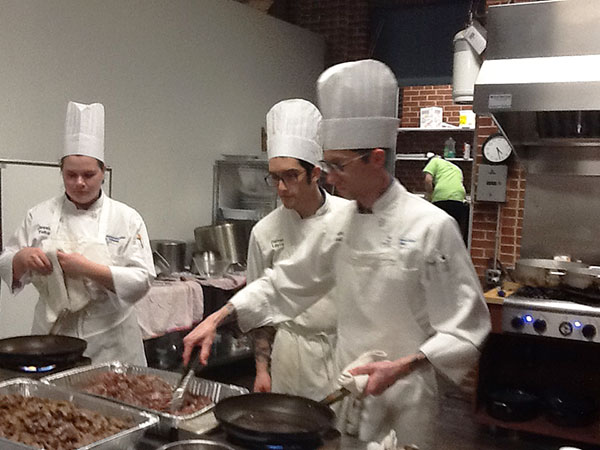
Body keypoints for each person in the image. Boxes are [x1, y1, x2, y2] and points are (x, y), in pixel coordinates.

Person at [182, 60, 491, 447]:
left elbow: (468, 327)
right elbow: (286, 282)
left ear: (376, 158)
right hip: (351, 389)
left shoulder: (431, 226)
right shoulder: (340, 226)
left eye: (338, 165)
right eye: (326, 163)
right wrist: (218, 317)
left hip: (406, 399)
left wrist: (404, 365)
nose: (328, 175)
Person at [0, 101, 155, 365]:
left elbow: (142, 279)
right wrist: (21, 259)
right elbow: (7, 262)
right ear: (60, 171)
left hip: (110, 342)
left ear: (103, 172)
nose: (79, 183)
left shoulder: (126, 219)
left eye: (88, 174)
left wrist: (87, 269)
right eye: (71, 175)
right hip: (53, 338)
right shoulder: (39, 215)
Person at [249, 99, 349, 401]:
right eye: (274, 177)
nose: (281, 188)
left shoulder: (350, 219)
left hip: (341, 351)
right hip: (289, 355)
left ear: (315, 173)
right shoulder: (264, 232)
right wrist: (262, 370)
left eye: (290, 176)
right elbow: (260, 311)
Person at [423, 151, 469, 244]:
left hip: (442, 196)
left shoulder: (434, 161)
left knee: (438, 229)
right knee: (453, 229)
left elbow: (428, 180)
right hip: (458, 198)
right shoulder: (456, 168)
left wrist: (430, 196)